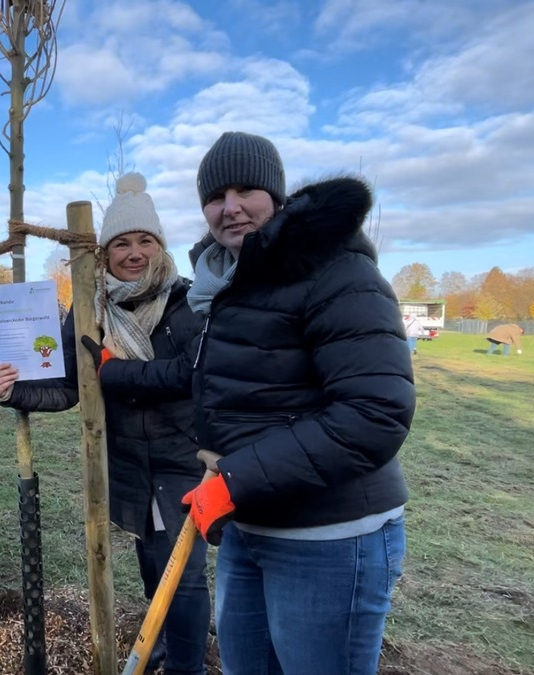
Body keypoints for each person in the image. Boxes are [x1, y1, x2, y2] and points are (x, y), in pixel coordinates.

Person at [179, 132, 414, 675]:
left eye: (246, 190)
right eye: (215, 197)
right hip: (250, 527)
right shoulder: (229, 286)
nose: (230, 207)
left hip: (329, 537)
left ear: (277, 197)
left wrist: (235, 478)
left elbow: (374, 414)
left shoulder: (337, 272)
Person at [0, 173, 209, 674]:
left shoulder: (189, 303)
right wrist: (14, 389)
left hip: (184, 457)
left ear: (160, 245)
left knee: (187, 574)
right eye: (122, 243)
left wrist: (115, 370)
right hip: (129, 460)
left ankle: (187, 665)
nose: (134, 253)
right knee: (155, 566)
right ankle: (166, 643)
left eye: (145, 241)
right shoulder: (91, 311)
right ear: (105, 253)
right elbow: (70, 387)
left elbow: (192, 377)